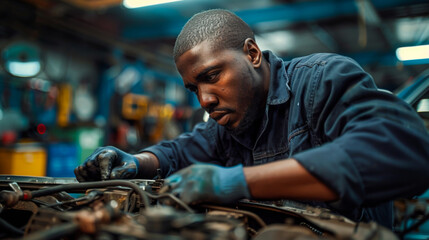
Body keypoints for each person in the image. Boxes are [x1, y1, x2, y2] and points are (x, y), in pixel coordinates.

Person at [74, 9, 429, 228]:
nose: (205, 99)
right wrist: (135, 163)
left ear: (253, 53)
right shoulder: (227, 125)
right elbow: (180, 152)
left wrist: (238, 182)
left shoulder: (322, 80)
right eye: (193, 88)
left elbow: (403, 151)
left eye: (212, 76)